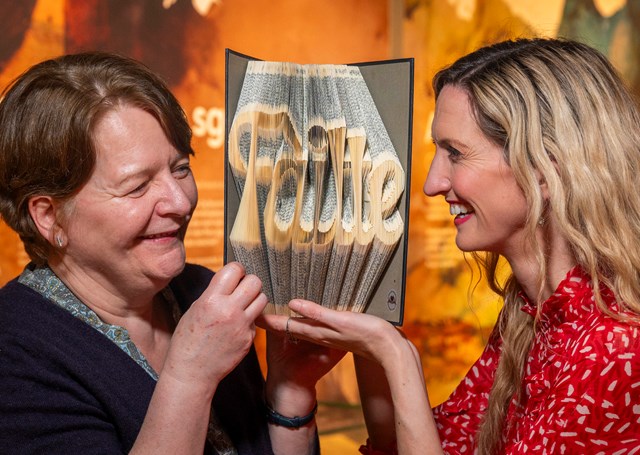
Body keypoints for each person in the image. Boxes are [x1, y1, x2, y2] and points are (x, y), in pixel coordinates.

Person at [259, 37, 640, 454]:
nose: (432, 184)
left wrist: (395, 354)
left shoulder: (616, 347)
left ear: (544, 167)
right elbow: (408, 445)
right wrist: (366, 320)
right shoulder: (534, 315)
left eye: (455, 154)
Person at [0, 52, 343, 454]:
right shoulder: (15, 351)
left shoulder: (202, 291)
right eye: (137, 186)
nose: (180, 202)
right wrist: (190, 378)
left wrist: (291, 390)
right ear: (49, 216)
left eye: (180, 168)